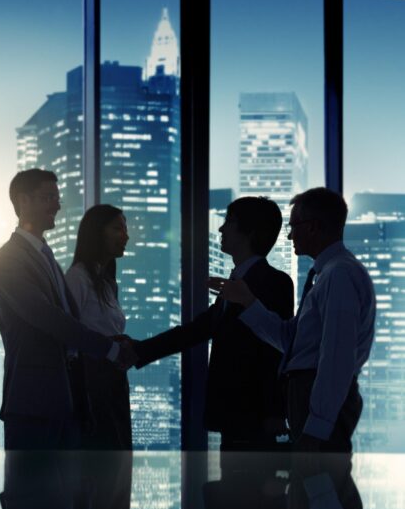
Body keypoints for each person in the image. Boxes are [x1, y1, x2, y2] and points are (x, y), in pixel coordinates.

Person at [213, 187, 376, 453]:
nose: (289, 235)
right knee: (320, 486)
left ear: (312, 228)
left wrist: (317, 427)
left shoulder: (339, 276)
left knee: (323, 484)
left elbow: (336, 357)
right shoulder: (328, 274)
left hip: (316, 399)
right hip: (310, 398)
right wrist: (248, 302)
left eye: (294, 226)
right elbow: (290, 340)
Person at [132, 196, 294, 450]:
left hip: (254, 419)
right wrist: (139, 350)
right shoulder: (234, 284)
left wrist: (274, 415)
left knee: (244, 486)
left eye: (229, 221)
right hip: (235, 417)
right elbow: (198, 329)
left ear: (249, 232)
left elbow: (274, 351)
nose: (221, 228)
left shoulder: (274, 282)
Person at [0, 169, 134, 450]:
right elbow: (46, 317)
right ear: (23, 201)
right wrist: (108, 349)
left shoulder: (46, 256)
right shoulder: (7, 259)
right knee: (31, 489)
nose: (56, 205)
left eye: (57, 198)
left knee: (62, 490)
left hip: (65, 398)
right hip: (34, 399)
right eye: (48, 197)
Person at [65, 204, 131, 450]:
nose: (125, 236)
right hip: (91, 382)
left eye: (125, 229)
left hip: (113, 379)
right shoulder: (78, 278)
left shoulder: (108, 284)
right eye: (117, 228)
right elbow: (69, 334)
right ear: (97, 233)